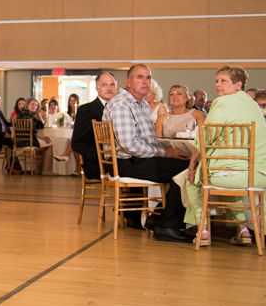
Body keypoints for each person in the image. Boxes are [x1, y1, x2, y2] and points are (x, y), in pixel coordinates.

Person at [102, 64, 192, 243]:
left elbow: (149, 140)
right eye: (140, 77)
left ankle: (158, 218)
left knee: (186, 161)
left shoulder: (141, 104)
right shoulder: (121, 104)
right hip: (125, 163)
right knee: (187, 167)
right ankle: (166, 225)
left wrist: (167, 149)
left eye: (148, 78)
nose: (145, 82)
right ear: (128, 82)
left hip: (136, 159)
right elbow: (129, 145)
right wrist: (164, 153)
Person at [182, 66, 266, 246]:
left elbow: (205, 138)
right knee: (225, 176)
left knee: (191, 180)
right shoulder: (252, 104)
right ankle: (242, 229)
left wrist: (192, 163)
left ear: (238, 85)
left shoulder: (223, 102)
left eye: (224, 81)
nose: (218, 85)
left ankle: (202, 231)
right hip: (259, 176)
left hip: (232, 175)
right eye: (217, 81)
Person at [71, 72, 118, 181]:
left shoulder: (121, 109)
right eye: (104, 85)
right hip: (98, 163)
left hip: (120, 159)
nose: (109, 88)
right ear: (97, 88)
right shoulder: (86, 110)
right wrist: (104, 157)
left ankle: (132, 196)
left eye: (112, 85)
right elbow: (77, 144)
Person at [17, 99, 57, 176]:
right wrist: (42, 138)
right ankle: (46, 169)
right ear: (27, 104)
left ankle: (38, 169)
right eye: (32, 104)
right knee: (49, 144)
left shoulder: (30, 115)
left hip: (27, 139)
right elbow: (31, 129)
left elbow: (41, 125)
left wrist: (38, 113)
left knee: (42, 144)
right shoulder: (24, 113)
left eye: (36, 105)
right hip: (24, 140)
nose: (34, 106)